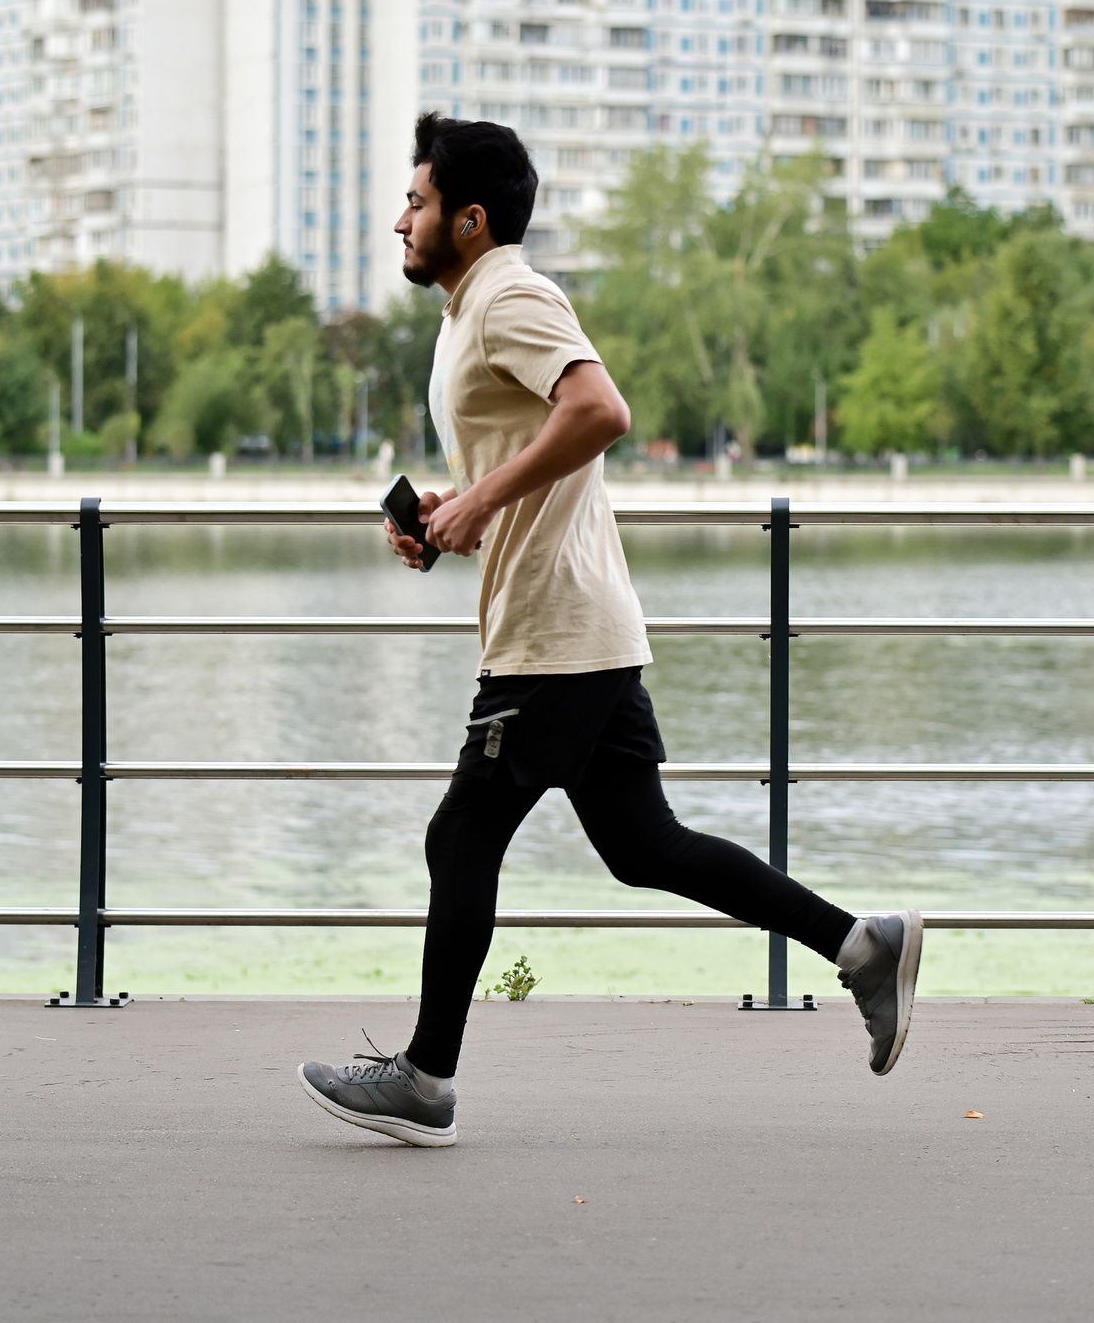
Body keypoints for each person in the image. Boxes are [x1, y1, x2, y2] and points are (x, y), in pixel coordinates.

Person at [299, 113, 921, 1147]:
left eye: (415, 202)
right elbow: (533, 449)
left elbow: (600, 411)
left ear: (469, 218)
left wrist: (484, 498)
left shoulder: (510, 294)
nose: (399, 220)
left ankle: (426, 1077)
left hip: (555, 633)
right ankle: (863, 944)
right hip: (569, 620)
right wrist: (456, 505)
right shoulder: (468, 311)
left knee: (460, 836)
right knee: (643, 845)